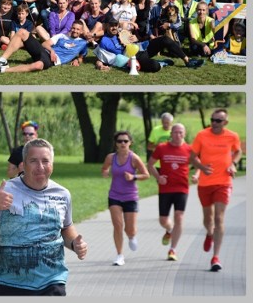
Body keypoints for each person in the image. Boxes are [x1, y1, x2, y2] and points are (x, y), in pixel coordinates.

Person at [0, 138, 88, 296]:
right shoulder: (5, 193)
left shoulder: (62, 194)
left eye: (45, 161)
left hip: (53, 282)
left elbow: (65, 227)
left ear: (52, 164)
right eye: (33, 161)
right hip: (11, 285)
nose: (40, 167)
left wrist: (74, 243)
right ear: (23, 165)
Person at [190, 109, 242, 272]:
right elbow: (192, 156)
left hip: (224, 182)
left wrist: (233, 163)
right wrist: (201, 168)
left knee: (219, 218)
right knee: (208, 219)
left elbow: (238, 151)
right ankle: (209, 233)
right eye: (213, 119)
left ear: (225, 122)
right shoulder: (202, 135)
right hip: (205, 183)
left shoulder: (232, 136)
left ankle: (215, 257)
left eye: (218, 121)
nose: (214, 123)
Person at [100, 131, 150, 266]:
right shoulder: (111, 157)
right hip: (114, 195)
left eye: (125, 141)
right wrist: (105, 172)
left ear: (130, 143)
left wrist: (134, 177)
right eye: (119, 141)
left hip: (130, 196)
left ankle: (132, 236)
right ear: (116, 144)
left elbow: (146, 174)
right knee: (117, 225)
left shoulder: (134, 158)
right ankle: (119, 255)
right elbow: (104, 168)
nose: (122, 143)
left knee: (130, 229)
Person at [147, 123, 192, 261]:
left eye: (181, 132)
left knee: (179, 217)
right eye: (175, 132)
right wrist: (158, 177)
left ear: (184, 134)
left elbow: (200, 165)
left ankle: (173, 250)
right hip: (165, 188)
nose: (178, 135)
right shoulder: (162, 148)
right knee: (163, 220)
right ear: (171, 134)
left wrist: (196, 176)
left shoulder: (189, 149)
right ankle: (169, 230)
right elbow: (150, 164)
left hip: (182, 188)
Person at [94, 19, 204, 72]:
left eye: (115, 25)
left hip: (142, 48)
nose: (113, 28)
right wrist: (100, 66)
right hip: (133, 58)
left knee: (165, 39)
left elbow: (140, 39)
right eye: (111, 26)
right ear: (107, 26)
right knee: (155, 66)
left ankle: (187, 60)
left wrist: (136, 38)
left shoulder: (122, 33)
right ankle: (162, 63)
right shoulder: (104, 41)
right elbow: (100, 58)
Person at [0, 20, 88, 74]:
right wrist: (51, 50)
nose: (75, 31)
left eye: (78, 29)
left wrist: (77, 61)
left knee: (37, 66)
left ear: (82, 31)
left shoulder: (83, 43)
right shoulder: (62, 36)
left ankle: (1, 70)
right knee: (21, 32)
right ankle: (2, 60)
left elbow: (82, 56)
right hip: (45, 52)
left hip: (52, 61)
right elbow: (45, 44)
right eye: (74, 28)